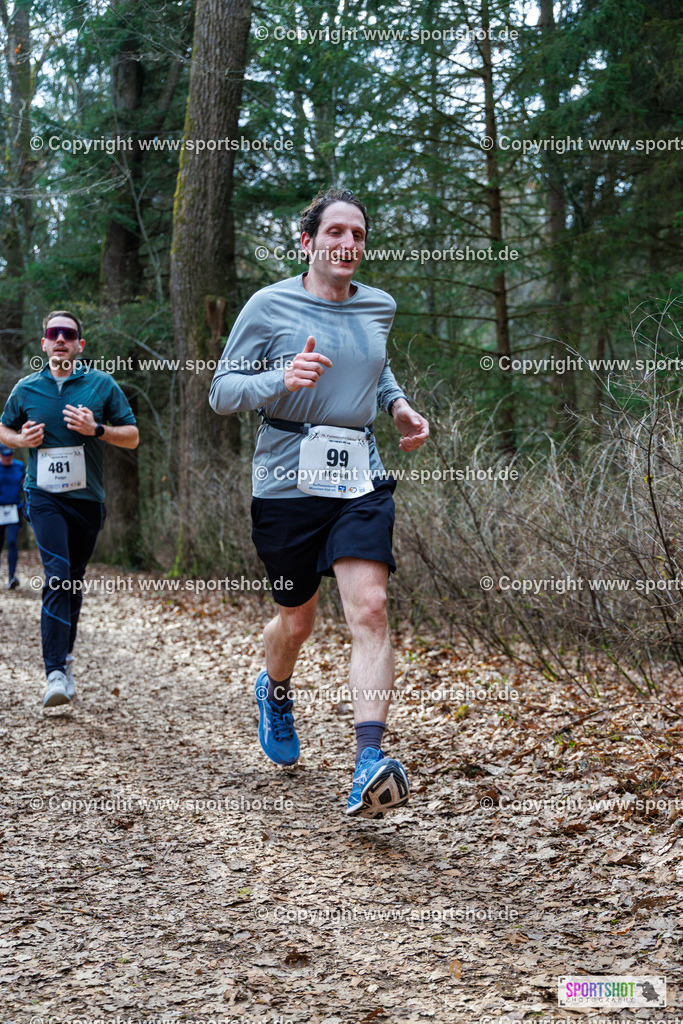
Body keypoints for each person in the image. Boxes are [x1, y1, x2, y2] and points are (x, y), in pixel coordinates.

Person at [209, 187, 429, 819]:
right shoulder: (268, 304)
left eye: (357, 234)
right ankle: (275, 689)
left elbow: (375, 366)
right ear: (307, 241)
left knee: (371, 608)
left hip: (359, 477)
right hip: (286, 483)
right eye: (335, 232)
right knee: (297, 622)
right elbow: (222, 392)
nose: (347, 244)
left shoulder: (379, 305)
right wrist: (279, 378)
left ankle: (368, 761)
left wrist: (397, 405)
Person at [0, 310, 139, 707]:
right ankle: (54, 673)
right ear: (44, 343)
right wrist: (20, 440)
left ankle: (64, 656)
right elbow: (3, 428)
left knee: (73, 582)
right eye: (53, 333)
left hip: (87, 501)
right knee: (58, 577)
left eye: (69, 333)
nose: (60, 339)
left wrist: (97, 430)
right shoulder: (27, 388)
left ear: (80, 344)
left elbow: (132, 436)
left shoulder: (101, 384)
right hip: (43, 497)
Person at [0, 444, 25, 588]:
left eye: (10, 454)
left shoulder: (19, 466)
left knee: (12, 541)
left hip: (14, 510)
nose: (7, 458)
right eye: (5, 455)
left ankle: (11, 577)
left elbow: (24, 485)